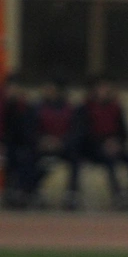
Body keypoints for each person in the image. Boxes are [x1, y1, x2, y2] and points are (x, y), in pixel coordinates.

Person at [68, 76, 128, 210]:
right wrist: (101, 143)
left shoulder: (116, 108)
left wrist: (116, 142)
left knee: (120, 159)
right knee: (75, 159)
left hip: (111, 147)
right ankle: (72, 193)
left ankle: (120, 195)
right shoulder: (85, 108)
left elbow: (123, 132)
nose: (104, 91)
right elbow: (81, 132)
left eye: (106, 88)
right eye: (101, 88)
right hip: (89, 147)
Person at [31, 79, 77, 208]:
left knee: (75, 159)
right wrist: (43, 140)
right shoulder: (37, 108)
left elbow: (75, 131)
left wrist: (61, 142)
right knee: (33, 160)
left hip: (63, 147)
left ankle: (72, 193)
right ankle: (33, 191)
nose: (48, 92)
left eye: (51, 89)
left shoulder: (69, 109)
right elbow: (31, 129)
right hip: (42, 147)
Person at [1, 73, 38, 209]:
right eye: (10, 87)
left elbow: (26, 131)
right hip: (6, 144)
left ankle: (21, 193)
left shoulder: (25, 107)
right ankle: (13, 191)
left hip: (19, 145)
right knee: (12, 155)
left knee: (24, 156)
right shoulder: (3, 106)